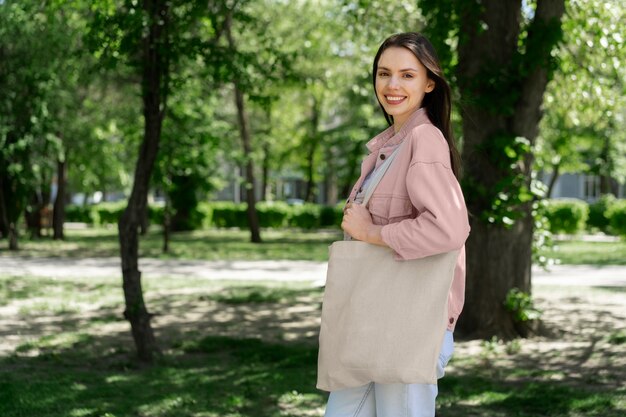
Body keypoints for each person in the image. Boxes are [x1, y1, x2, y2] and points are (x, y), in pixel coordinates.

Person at [324, 32, 470, 417]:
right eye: (383, 73)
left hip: (411, 323)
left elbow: (449, 230)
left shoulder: (425, 141)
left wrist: (371, 233)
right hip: (377, 317)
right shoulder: (389, 147)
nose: (392, 85)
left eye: (407, 75)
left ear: (429, 83)